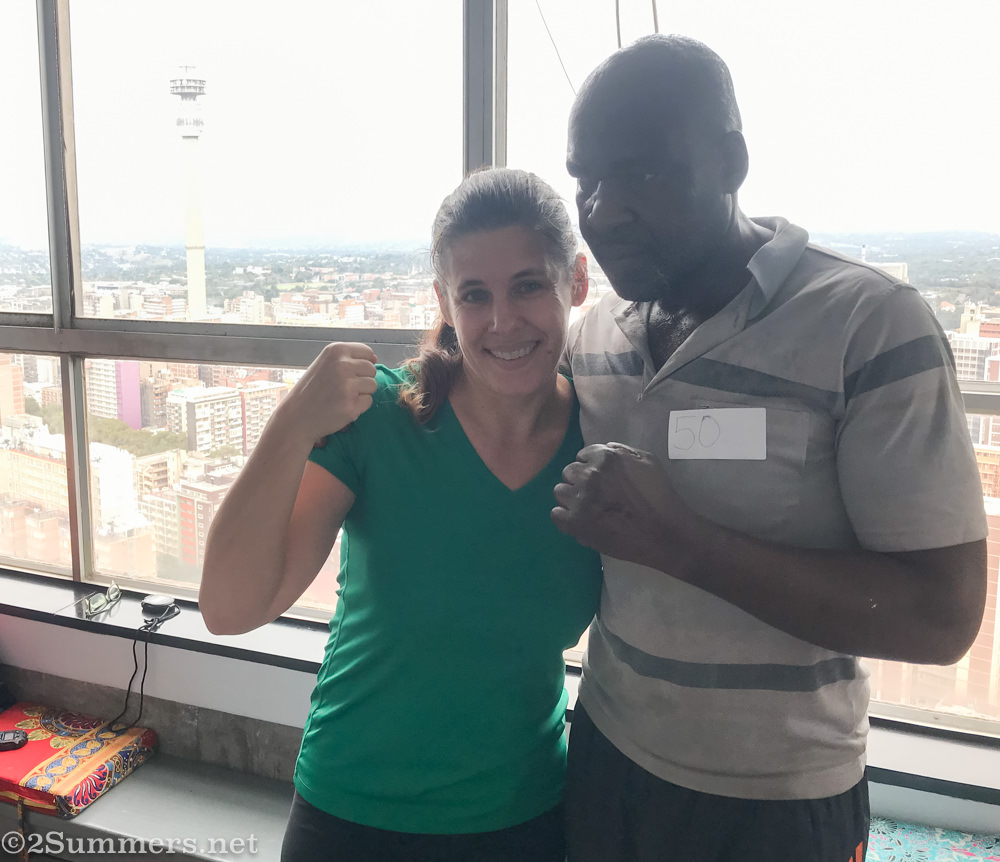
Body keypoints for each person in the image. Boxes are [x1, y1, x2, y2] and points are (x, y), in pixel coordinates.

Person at [551, 35, 988, 862]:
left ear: (731, 161)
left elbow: (943, 617)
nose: (603, 210)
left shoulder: (869, 322)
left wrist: (681, 543)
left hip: (777, 802)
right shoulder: (595, 335)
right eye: (585, 180)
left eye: (641, 172)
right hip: (606, 752)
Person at [199, 167, 602, 862]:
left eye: (529, 285)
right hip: (350, 816)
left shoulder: (601, 442)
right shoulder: (381, 421)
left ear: (576, 281)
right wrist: (291, 426)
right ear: (446, 302)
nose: (504, 321)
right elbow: (230, 607)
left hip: (521, 818)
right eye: (475, 295)